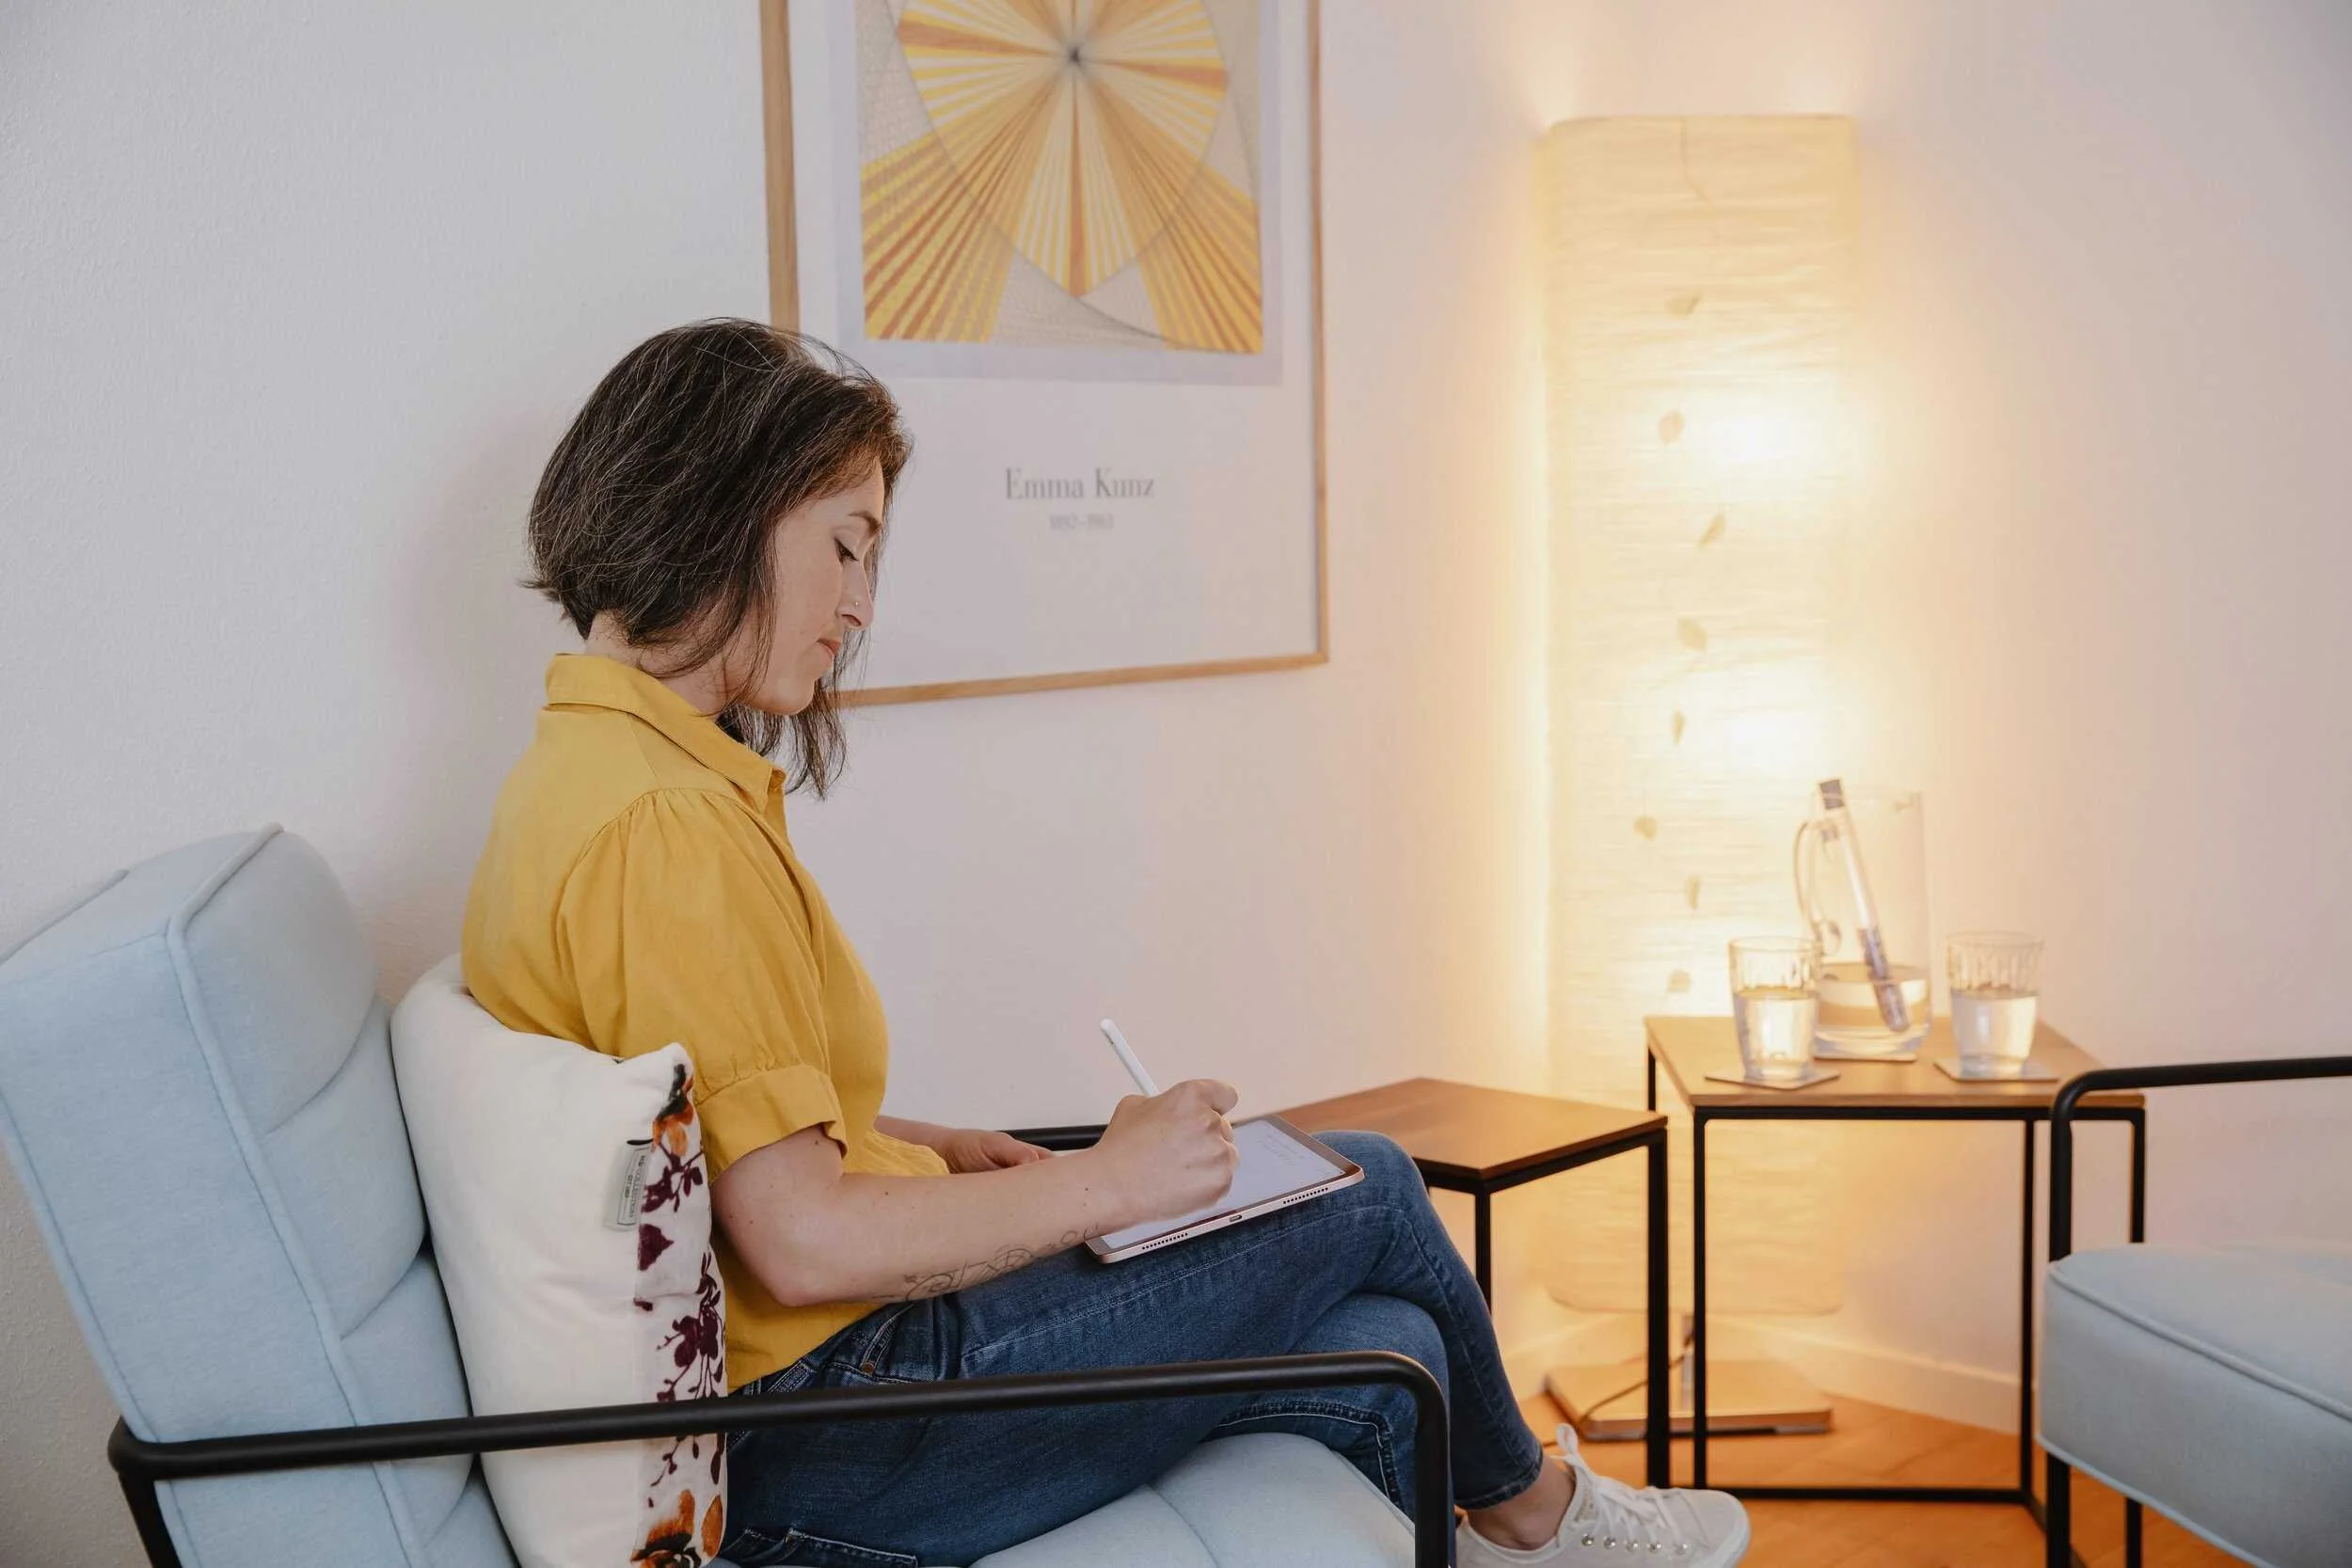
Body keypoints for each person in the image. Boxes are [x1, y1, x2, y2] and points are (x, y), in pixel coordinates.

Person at [463, 319, 1749, 1568]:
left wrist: (920, 1149)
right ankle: (1542, 1516)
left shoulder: (594, 766)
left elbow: (715, 1117)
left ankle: (1499, 1529)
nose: (858, 607)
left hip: (832, 1401)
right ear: (725, 502)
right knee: (1370, 1181)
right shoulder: (664, 822)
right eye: (847, 549)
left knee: (1389, 1335)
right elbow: (801, 1242)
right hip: (845, 1426)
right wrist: (1113, 1182)